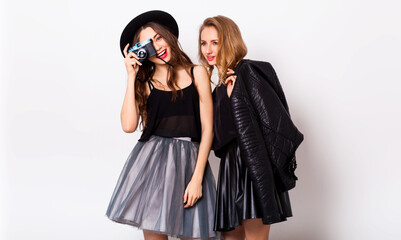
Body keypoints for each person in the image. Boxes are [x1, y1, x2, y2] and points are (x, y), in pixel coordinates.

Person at [106, 10, 218, 240]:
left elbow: (208, 129)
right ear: (141, 52)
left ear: (169, 36)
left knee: (196, 233)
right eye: (147, 44)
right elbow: (128, 125)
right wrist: (131, 76)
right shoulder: (145, 84)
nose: (156, 47)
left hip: (191, 166)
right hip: (153, 168)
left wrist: (197, 179)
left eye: (158, 37)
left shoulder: (197, 73)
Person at [198, 16, 304, 240]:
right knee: (230, 237)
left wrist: (236, 99)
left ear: (229, 41)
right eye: (203, 43)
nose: (208, 49)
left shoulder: (248, 71)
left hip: (253, 167)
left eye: (215, 42)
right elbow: (220, 142)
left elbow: (275, 124)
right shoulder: (219, 87)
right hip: (230, 168)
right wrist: (228, 100)